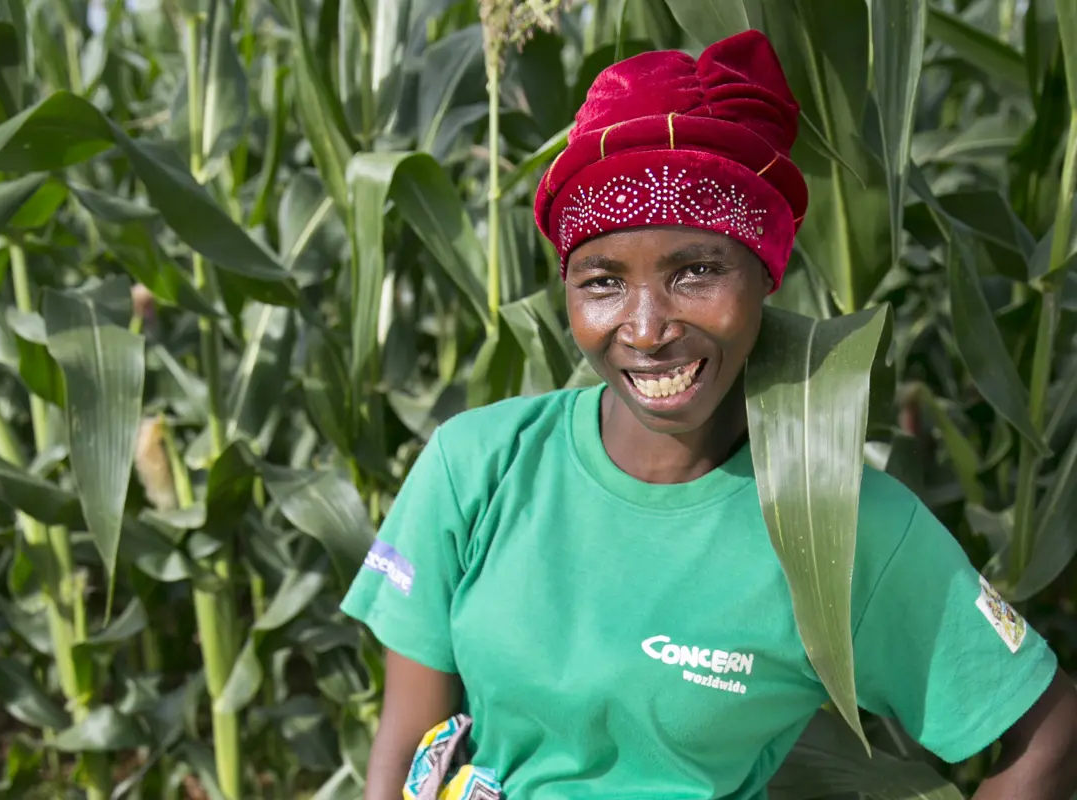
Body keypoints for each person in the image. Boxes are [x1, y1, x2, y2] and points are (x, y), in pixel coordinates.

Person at [338, 28, 1077, 800]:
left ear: (765, 274)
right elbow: (406, 756)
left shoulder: (832, 527)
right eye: (602, 281)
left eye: (696, 271)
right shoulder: (476, 466)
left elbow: (1049, 733)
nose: (647, 327)